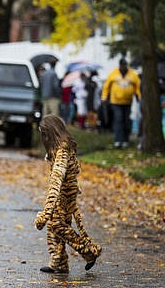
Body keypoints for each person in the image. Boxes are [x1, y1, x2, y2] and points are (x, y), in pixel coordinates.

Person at [35, 115, 102, 274]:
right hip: (62, 195)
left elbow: (57, 177)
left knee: (58, 225)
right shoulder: (58, 148)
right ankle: (58, 262)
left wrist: (47, 210)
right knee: (54, 227)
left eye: (44, 133)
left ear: (50, 132)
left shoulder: (62, 150)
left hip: (63, 196)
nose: (43, 138)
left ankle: (88, 251)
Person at [101, 58, 141, 148]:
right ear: (119, 65)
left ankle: (125, 139)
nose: (123, 67)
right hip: (116, 102)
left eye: (125, 65)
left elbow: (138, 86)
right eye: (122, 65)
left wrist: (139, 95)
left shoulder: (132, 74)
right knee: (118, 119)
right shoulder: (114, 73)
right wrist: (104, 96)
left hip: (128, 102)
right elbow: (106, 86)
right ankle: (118, 140)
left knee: (126, 121)